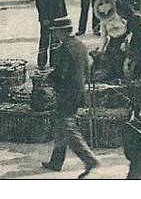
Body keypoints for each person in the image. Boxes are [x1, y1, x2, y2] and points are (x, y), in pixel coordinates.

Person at [43, 16, 100, 177]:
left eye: (56, 32)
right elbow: (89, 64)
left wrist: (49, 79)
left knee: (67, 127)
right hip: (78, 91)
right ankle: (56, 161)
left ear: (62, 32)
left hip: (67, 93)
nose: (55, 35)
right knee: (62, 126)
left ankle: (89, 159)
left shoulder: (64, 48)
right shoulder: (81, 45)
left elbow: (62, 73)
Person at [35, 0, 69, 69]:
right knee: (45, 38)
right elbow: (40, 1)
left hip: (58, 15)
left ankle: (54, 62)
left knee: (56, 39)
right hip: (47, 16)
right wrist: (43, 17)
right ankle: (41, 62)